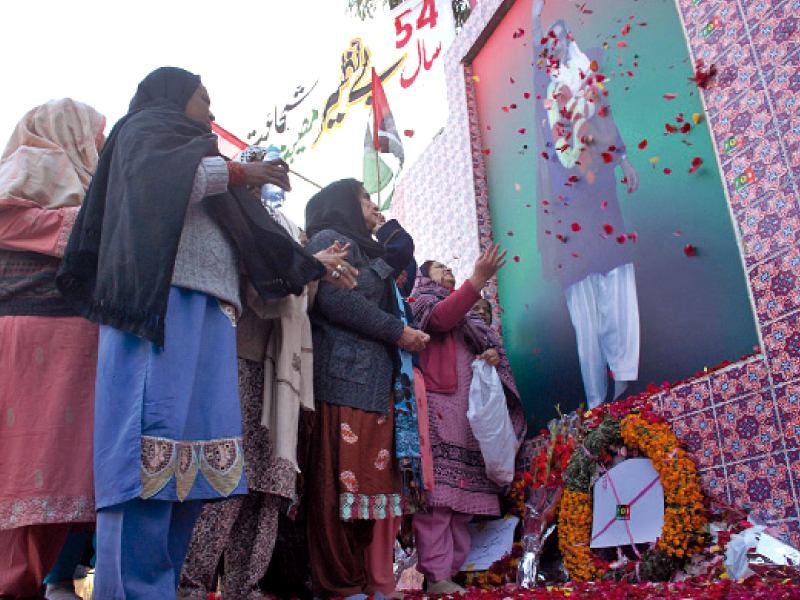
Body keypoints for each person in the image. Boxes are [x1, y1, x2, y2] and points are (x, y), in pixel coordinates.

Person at [56, 67, 328, 600]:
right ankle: (128, 591)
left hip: (214, 313)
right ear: (173, 96)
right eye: (204, 97)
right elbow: (159, 182)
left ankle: (164, 587)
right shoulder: (143, 132)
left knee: (201, 465)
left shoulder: (203, 154)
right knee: (147, 458)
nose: (211, 109)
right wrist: (236, 173)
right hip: (157, 307)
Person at [178, 146, 357, 600]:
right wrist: (308, 265)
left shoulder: (286, 228)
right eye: (259, 173)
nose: (266, 187)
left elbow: (300, 301)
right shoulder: (228, 215)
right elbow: (254, 283)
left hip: (283, 368)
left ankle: (245, 584)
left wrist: (314, 271)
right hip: (237, 355)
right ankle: (192, 584)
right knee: (227, 475)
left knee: (270, 480)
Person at [0, 99, 106, 600]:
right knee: (22, 472)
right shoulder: (31, 165)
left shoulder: (93, 186)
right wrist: (75, 230)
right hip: (29, 337)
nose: (102, 146)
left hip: (72, 345)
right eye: (95, 134)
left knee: (53, 484)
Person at [304, 179, 429, 600]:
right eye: (365, 199)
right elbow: (337, 300)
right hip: (343, 382)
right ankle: (337, 586)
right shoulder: (328, 239)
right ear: (342, 203)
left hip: (373, 387)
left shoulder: (367, 249)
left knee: (365, 495)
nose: (374, 207)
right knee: (338, 490)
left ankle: (354, 583)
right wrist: (398, 331)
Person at [532, 0, 641, 409]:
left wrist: (626, 158)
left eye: (562, 39)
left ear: (570, 41)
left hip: (600, 187)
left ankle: (625, 374)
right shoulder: (546, 89)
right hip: (566, 194)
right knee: (582, 284)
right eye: (550, 42)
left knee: (614, 269)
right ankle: (597, 398)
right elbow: (533, 54)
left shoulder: (587, 78)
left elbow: (606, 118)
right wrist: (533, 17)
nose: (557, 47)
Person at [410, 247, 526, 594]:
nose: (446, 271)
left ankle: (452, 573)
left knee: (463, 502)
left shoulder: (470, 316)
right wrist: (477, 279)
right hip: (438, 407)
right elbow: (442, 319)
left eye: (448, 267)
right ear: (424, 277)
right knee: (439, 500)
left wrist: (488, 355)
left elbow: (476, 342)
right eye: (438, 268)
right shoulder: (421, 302)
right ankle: (436, 576)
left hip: (470, 415)